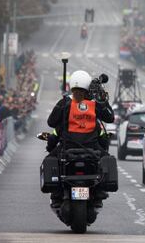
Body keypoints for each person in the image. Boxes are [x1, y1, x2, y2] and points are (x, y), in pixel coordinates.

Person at [46, 70, 114, 207]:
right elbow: (110, 118)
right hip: (92, 149)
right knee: (107, 159)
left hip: (67, 148)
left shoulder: (64, 103)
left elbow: (51, 122)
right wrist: (103, 101)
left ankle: (56, 193)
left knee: (50, 159)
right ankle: (100, 190)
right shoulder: (94, 105)